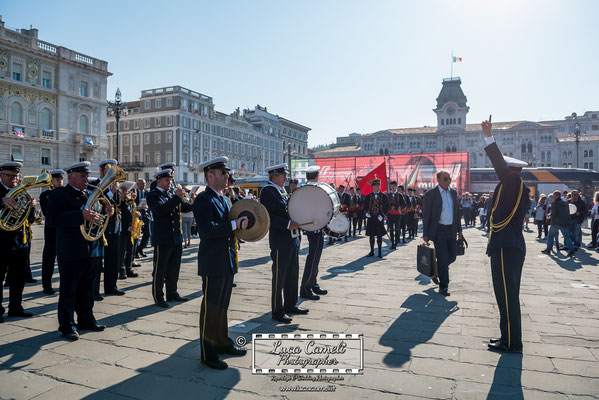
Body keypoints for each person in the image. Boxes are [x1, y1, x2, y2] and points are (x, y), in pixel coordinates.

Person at [46, 162, 113, 340]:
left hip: (92, 249)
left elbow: (96, 218)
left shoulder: (91, 194)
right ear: (71, 176)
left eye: (87, 175)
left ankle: (86, 319)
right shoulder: (59, 194)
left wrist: (106, 212)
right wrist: (80, 215)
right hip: (71, 250)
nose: (87, 179)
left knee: (87, 289)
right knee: (69, 290)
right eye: (83, 176)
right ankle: (67, 325)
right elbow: (52, 219)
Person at [193, 157, 248, 370]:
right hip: (213, 261)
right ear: (210, 175)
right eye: (222, 172)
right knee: (211, 307)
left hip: (227, 259)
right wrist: (234, 224)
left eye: (226, 172)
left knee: (223, 306)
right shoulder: (203, 200)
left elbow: (231, 226)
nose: (227, 176)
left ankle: (222, 342)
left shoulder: (224, 199)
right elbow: (207, 232)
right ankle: (208, 352)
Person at [482, 115, 530, 353]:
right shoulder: (517, 186)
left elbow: (498, 164)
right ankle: (507, 337)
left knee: (507, 295)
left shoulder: (512, 183)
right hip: (509, 245)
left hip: (506, 246)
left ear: (511, 171)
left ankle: (512, 342)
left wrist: (488, 136)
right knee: (505, 295)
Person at [260, 163, 307, 324]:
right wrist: (287, 224)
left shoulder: (281, 191)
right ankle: (277, 310)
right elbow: (268, 216)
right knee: (279, 276)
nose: (286, 178)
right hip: (280, 240)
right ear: (275, 177)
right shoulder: (268, 191)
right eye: (283, 176)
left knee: (293, 273)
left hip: (292, 238)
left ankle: (290, 304)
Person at [147, 169, 193, 308]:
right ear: (159, 181)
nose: (170, 182)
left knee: (174, 268)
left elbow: (184, 208)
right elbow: (161, 210)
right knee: (160, 269)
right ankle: (158, 297)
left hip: (175, 237)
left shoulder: (170, 195)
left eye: (171, 180)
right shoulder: (153, 195)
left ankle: (172, 293)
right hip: (163, 238)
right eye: (167, 180)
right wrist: (177, 198)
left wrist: (192, 201)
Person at [0, 161, 35, 323]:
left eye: (16, 176)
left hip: (19, 242)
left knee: (18, 278)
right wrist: (1, 201)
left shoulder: (22, 192)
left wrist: (31, 207)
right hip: (1, 242)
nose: (14, 179)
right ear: (1, 175)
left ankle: (16, 307)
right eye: (10, 176)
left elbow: (31, 219)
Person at [422, 170, 462, 297]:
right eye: (445, 179)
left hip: (451, 229)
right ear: (438, 179)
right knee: (443, 258)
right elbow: (426, 215)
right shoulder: (430, 195)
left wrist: (460, 231)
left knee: (452, 257)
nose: (448, 181)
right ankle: (443, 286)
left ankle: (436, 270)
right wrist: (426, 234)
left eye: (449, 179)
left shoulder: (453, 193)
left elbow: (457, 213)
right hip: (438, 230)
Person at [97, 159, 125, 297]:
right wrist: (111, 193)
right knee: (97, 261)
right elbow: (96, 202)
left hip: (114, 226)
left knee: (113, 259)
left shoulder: (114, 185)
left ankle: (111, 286)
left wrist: (120, 193)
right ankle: (94, 291)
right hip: (100, 228)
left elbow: (119, 205)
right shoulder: (96, 184)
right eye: (108, 170)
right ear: (101, 171)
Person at [300, 165, 327, 301]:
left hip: (315, 227)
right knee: (313, 258)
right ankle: (306, 288)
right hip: (314, 228)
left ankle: (313, 283)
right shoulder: (315, 190)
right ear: (317, 176)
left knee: (315, 257)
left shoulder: (304, 189)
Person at [39, 169, 64, 295]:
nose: (60, 182)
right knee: (49, 258)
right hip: (50, 229)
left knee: (64, 259)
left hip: (63, 229)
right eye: (57, 180)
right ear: (52, 181)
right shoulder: (45, 195)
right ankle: (46, 285)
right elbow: (46, 212)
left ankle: (64, 284)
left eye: (61, 180)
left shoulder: (66, 193)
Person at [542, 191, 575, 256]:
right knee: (567, 237)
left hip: (556, 223)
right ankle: (571, 250)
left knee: (550, 236)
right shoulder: (565, 203)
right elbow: (568, 213)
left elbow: (553, 213)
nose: (553, 197)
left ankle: (548, 249)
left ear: (555, 196)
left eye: (554, 196)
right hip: (564, 223)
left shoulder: (555, 203)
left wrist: (549, 216)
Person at [118, 182, 139, 280]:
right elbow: (120, 215)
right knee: (122, 251)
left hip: (131, 228)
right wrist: (126, 226)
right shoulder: (119, 200)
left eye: (127, 190)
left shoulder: (129, 200)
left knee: (130, 249)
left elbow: (131, 212)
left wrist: (137, 215)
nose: (126, 191)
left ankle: (129, 268)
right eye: (124, 190)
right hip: (123, 229)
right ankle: (122, 271)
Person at [364, 179, 389, 258]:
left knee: (379, 235)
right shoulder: (368, 196)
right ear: (373, 187)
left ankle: (379, 252)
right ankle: (371, 251)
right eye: (376, 186)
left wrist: (382, 215)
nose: (378, 187)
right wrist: (366, 213)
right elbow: (365, 206)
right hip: (371, 218)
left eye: (379, 186)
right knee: (371, 235)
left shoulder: (384, 196)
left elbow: (386, 207)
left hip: (379, 218)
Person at [135, 179, 151, 258]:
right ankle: (135, 252)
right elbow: (133, 203)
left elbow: (149, 203)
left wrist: (147, 208)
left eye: (144, 183)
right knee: (137, 235)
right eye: (142, 184)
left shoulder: (146, 192)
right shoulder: (135, 192)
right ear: (138, 184)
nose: (144, 185)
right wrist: (138, 207)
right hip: (137, 215)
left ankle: (140, 249)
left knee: (147, 234)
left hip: (145, 215)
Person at [387, 181, 403, 249]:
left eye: (394, 186)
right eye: (391, 186)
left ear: (396, 186)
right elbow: (385, 204)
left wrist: (400, 207)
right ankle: (392, 243)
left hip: (397, 214)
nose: (393, 187)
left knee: (397, 229)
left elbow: (404, 204)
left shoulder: (400, 195)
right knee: (391, 229)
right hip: (390, 214)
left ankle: (396, 243)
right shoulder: (388, 195)